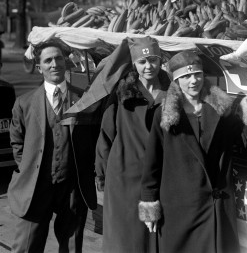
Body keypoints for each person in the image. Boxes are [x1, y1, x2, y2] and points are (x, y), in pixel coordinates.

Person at [138, 50, 247, 253]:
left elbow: (241, 142)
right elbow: (153, 161)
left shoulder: (221, 109)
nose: (193, 80)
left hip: (214, 208)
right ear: (176, 81)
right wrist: (149, 203)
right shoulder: (165, 115)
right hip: (179, 208)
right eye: (186, 76)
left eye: (197, 74)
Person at [8, 39, 97, 253]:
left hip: (72, 189)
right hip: (35, 187)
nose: (54, 64)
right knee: (26, 246)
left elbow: (93, 140)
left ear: (66, 62)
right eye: (48, 60)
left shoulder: (84, 99)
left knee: (72, 247)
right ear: (39, 68)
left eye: (58, 58)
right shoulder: (25, 103)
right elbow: (17, 142)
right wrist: (30, 168)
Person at [95, 36, 170, 253]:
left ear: (161, 60)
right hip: (124, 180)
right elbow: (106, 135)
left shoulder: (174, 92)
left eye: (153, 60)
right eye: (142, 62)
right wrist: (102, 175)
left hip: (160, 178)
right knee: (127, 241)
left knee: (157, 239)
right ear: (134, 64)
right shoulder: (121, 93)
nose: (149, 67)